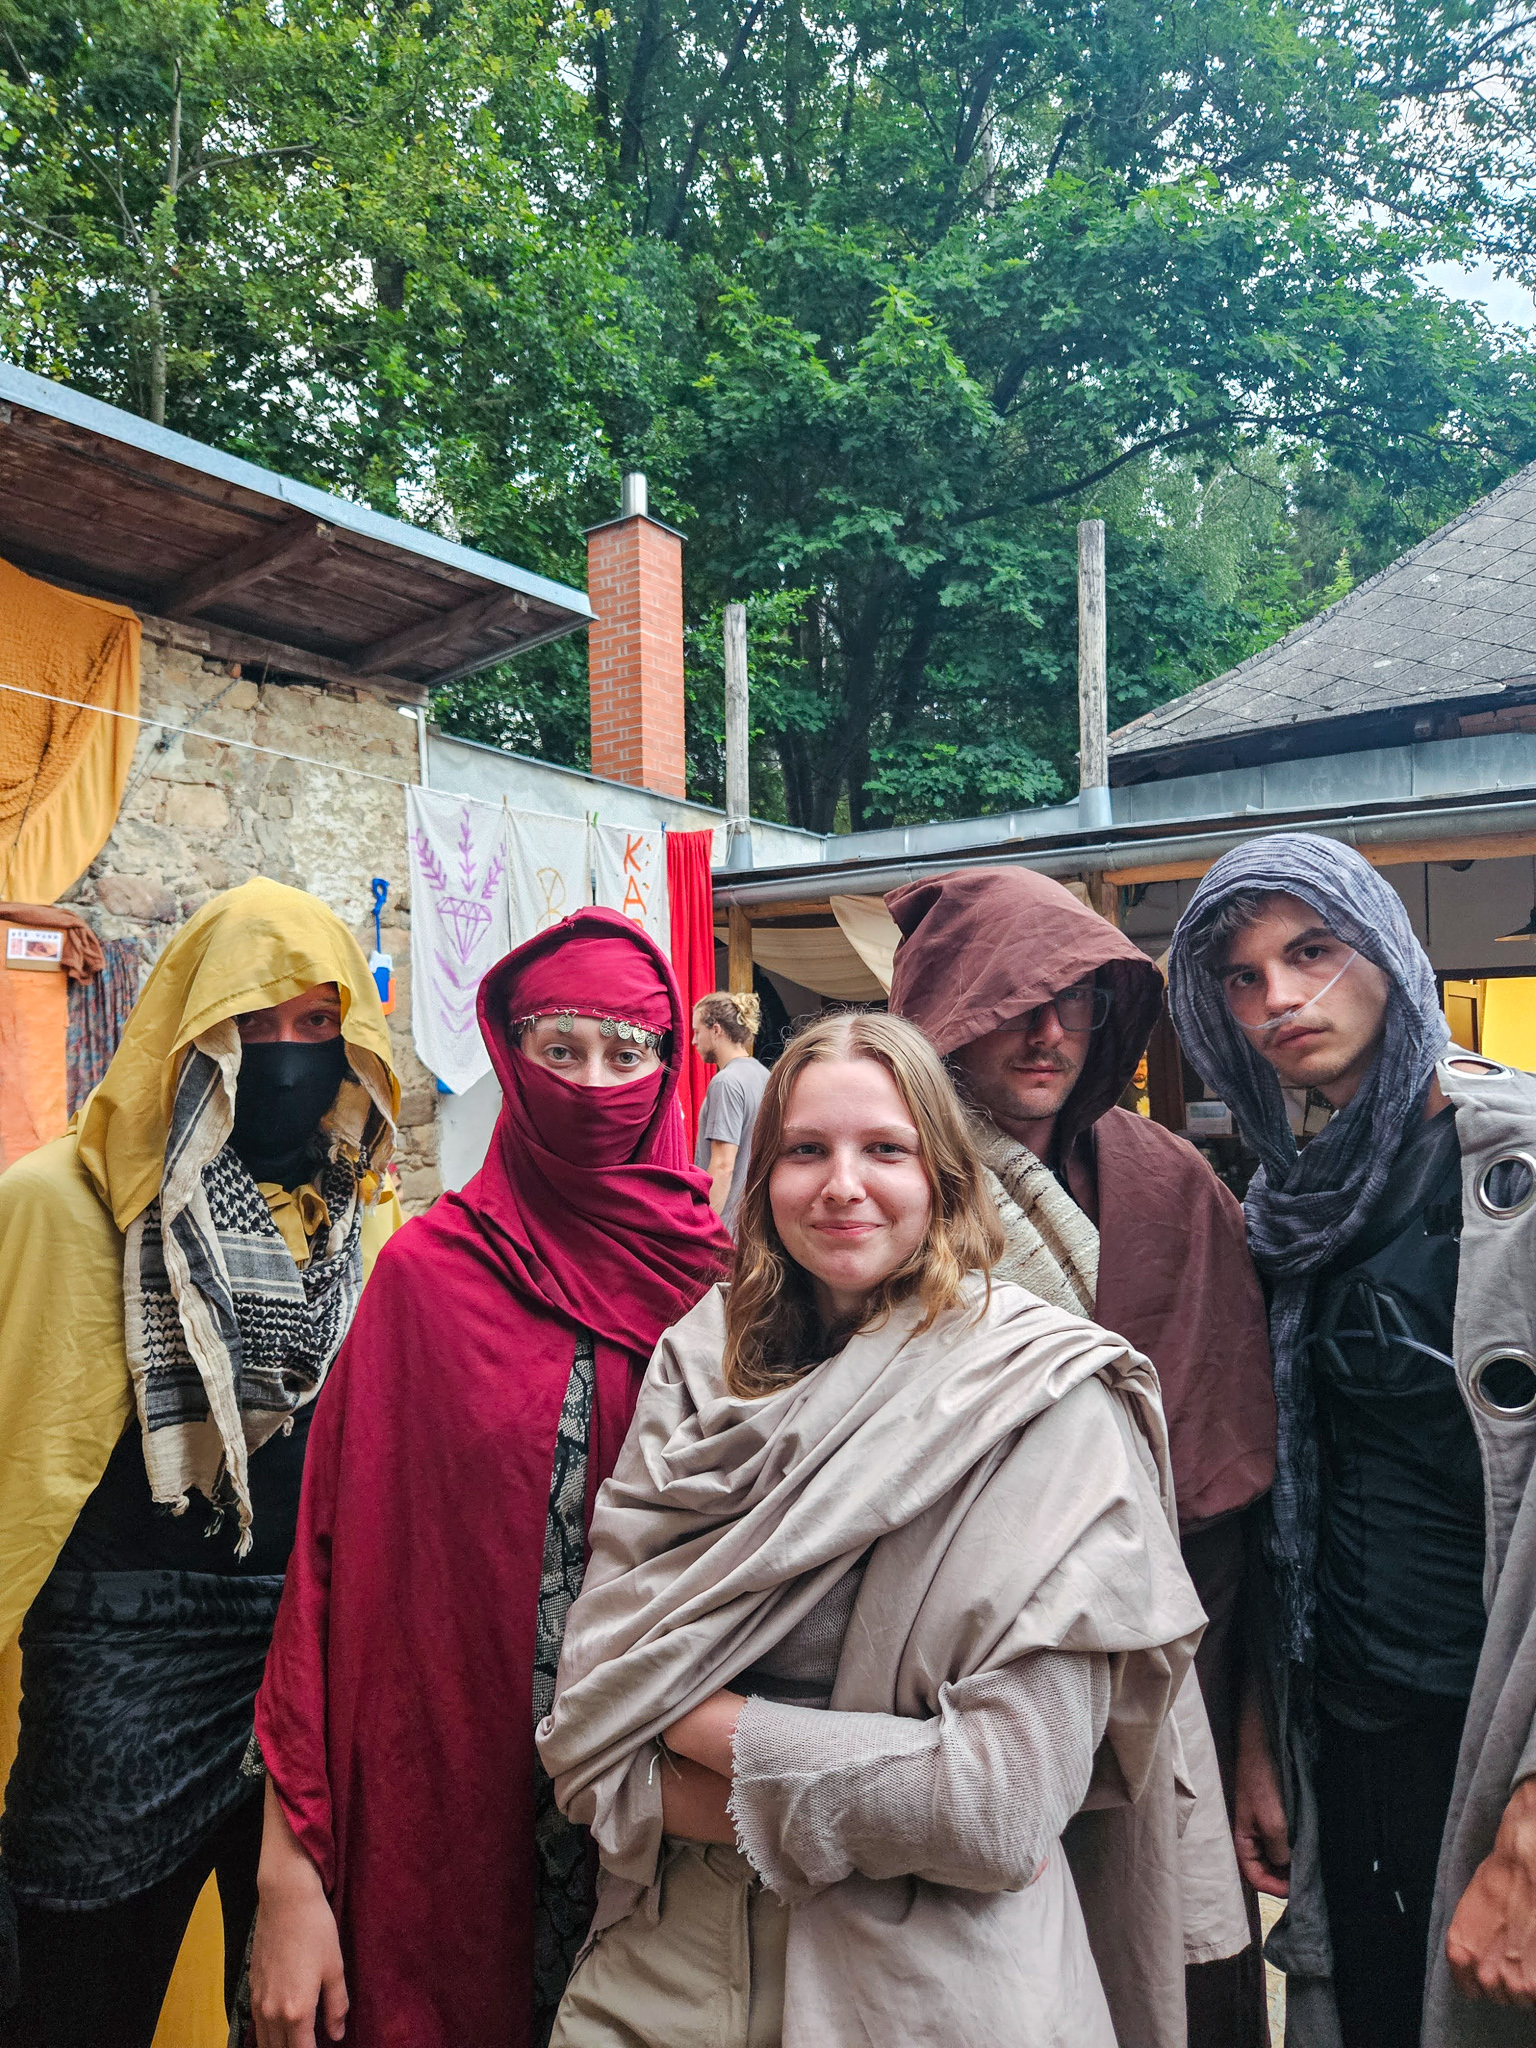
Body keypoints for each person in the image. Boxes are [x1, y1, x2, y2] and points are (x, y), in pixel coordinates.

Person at [537, 1010, 1246, 2048]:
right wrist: (881, 1780)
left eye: (884, 1149)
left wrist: (679, 1719)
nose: (841, 1185)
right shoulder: (698, 1365)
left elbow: (995, 1808)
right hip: (666, 1963)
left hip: (936, 1987)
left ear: (943, 1177)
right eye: (805, 1150)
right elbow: (587, 1731)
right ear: (762, 1178)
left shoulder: (1042, 1398)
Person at [248, 907, 731, 2048]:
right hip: (447, 1786)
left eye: (626, 1051)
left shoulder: (723, 1279)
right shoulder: (428, 1276)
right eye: (560, 1048)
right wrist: (289, 1866)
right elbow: (327, 1567)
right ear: (511, 1057)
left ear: (669, 1065)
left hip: (665, 1803)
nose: (593, 1082)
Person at [0, 879, 402, 2048]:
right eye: (249, 1024)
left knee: (307, 2010)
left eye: (316, 1023)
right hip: (115, 1660)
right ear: (186, 1029)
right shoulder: (60, 1202)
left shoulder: (362, 1219)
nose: (285, 1056)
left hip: (303, 1656)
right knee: (78, 2000)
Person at [885, 865, 1277, 2048]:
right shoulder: (882, 1179)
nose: (1050, 1032)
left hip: (1179, 1642)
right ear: (948, 1009)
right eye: (1014, 1000)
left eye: (1078, 1002)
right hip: (954, 1676)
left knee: (1171, 1964)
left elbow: (1236, 1471)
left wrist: (1254, 1724)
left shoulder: (1170, 1183)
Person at [1167, 832, 1536, 2047]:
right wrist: (1264, 1737)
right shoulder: (1291, 1204)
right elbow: (1293, 1497)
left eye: (1312, 949)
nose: (1280, 996)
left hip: (1495, 1732)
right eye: (1242, 975)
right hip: (1350, 1729)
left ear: (1385, 946)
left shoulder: (1516, 1169)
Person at [691, 991, 770, 1231]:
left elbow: (723, 1165)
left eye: (697, 1032)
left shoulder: (726, 1082)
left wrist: (705, 1228)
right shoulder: (764, 1075)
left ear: (716, 1030)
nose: (694, 1041)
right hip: (755, 1225)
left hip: (726, 1229)